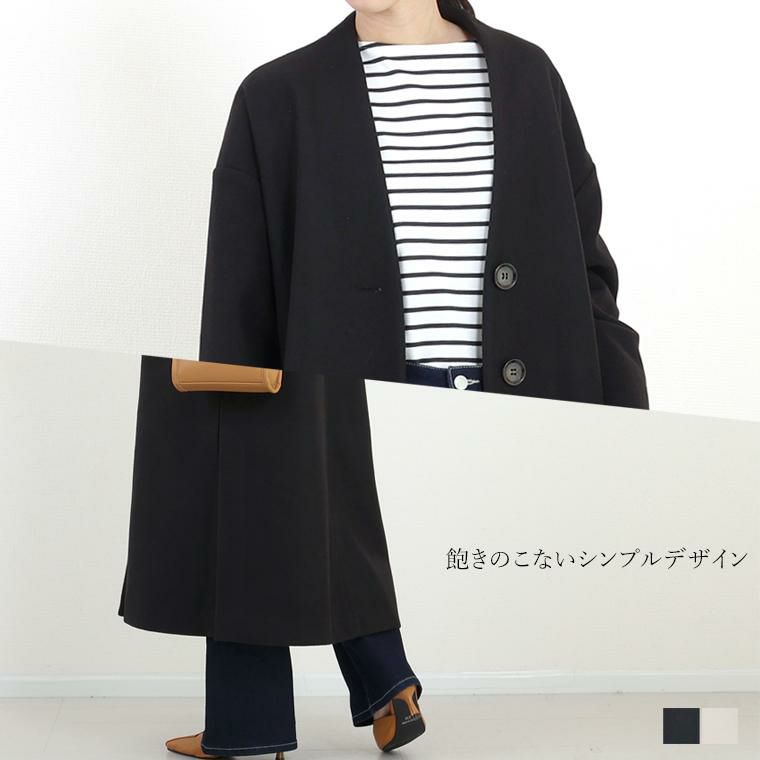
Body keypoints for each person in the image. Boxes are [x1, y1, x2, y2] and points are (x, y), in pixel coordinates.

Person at [199, 0, 649, 409]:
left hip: (536, 427)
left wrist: (630, 434)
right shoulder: (274, 100)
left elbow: (588, 281)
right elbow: (236, 325)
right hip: (348, 435)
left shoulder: (528, 77)